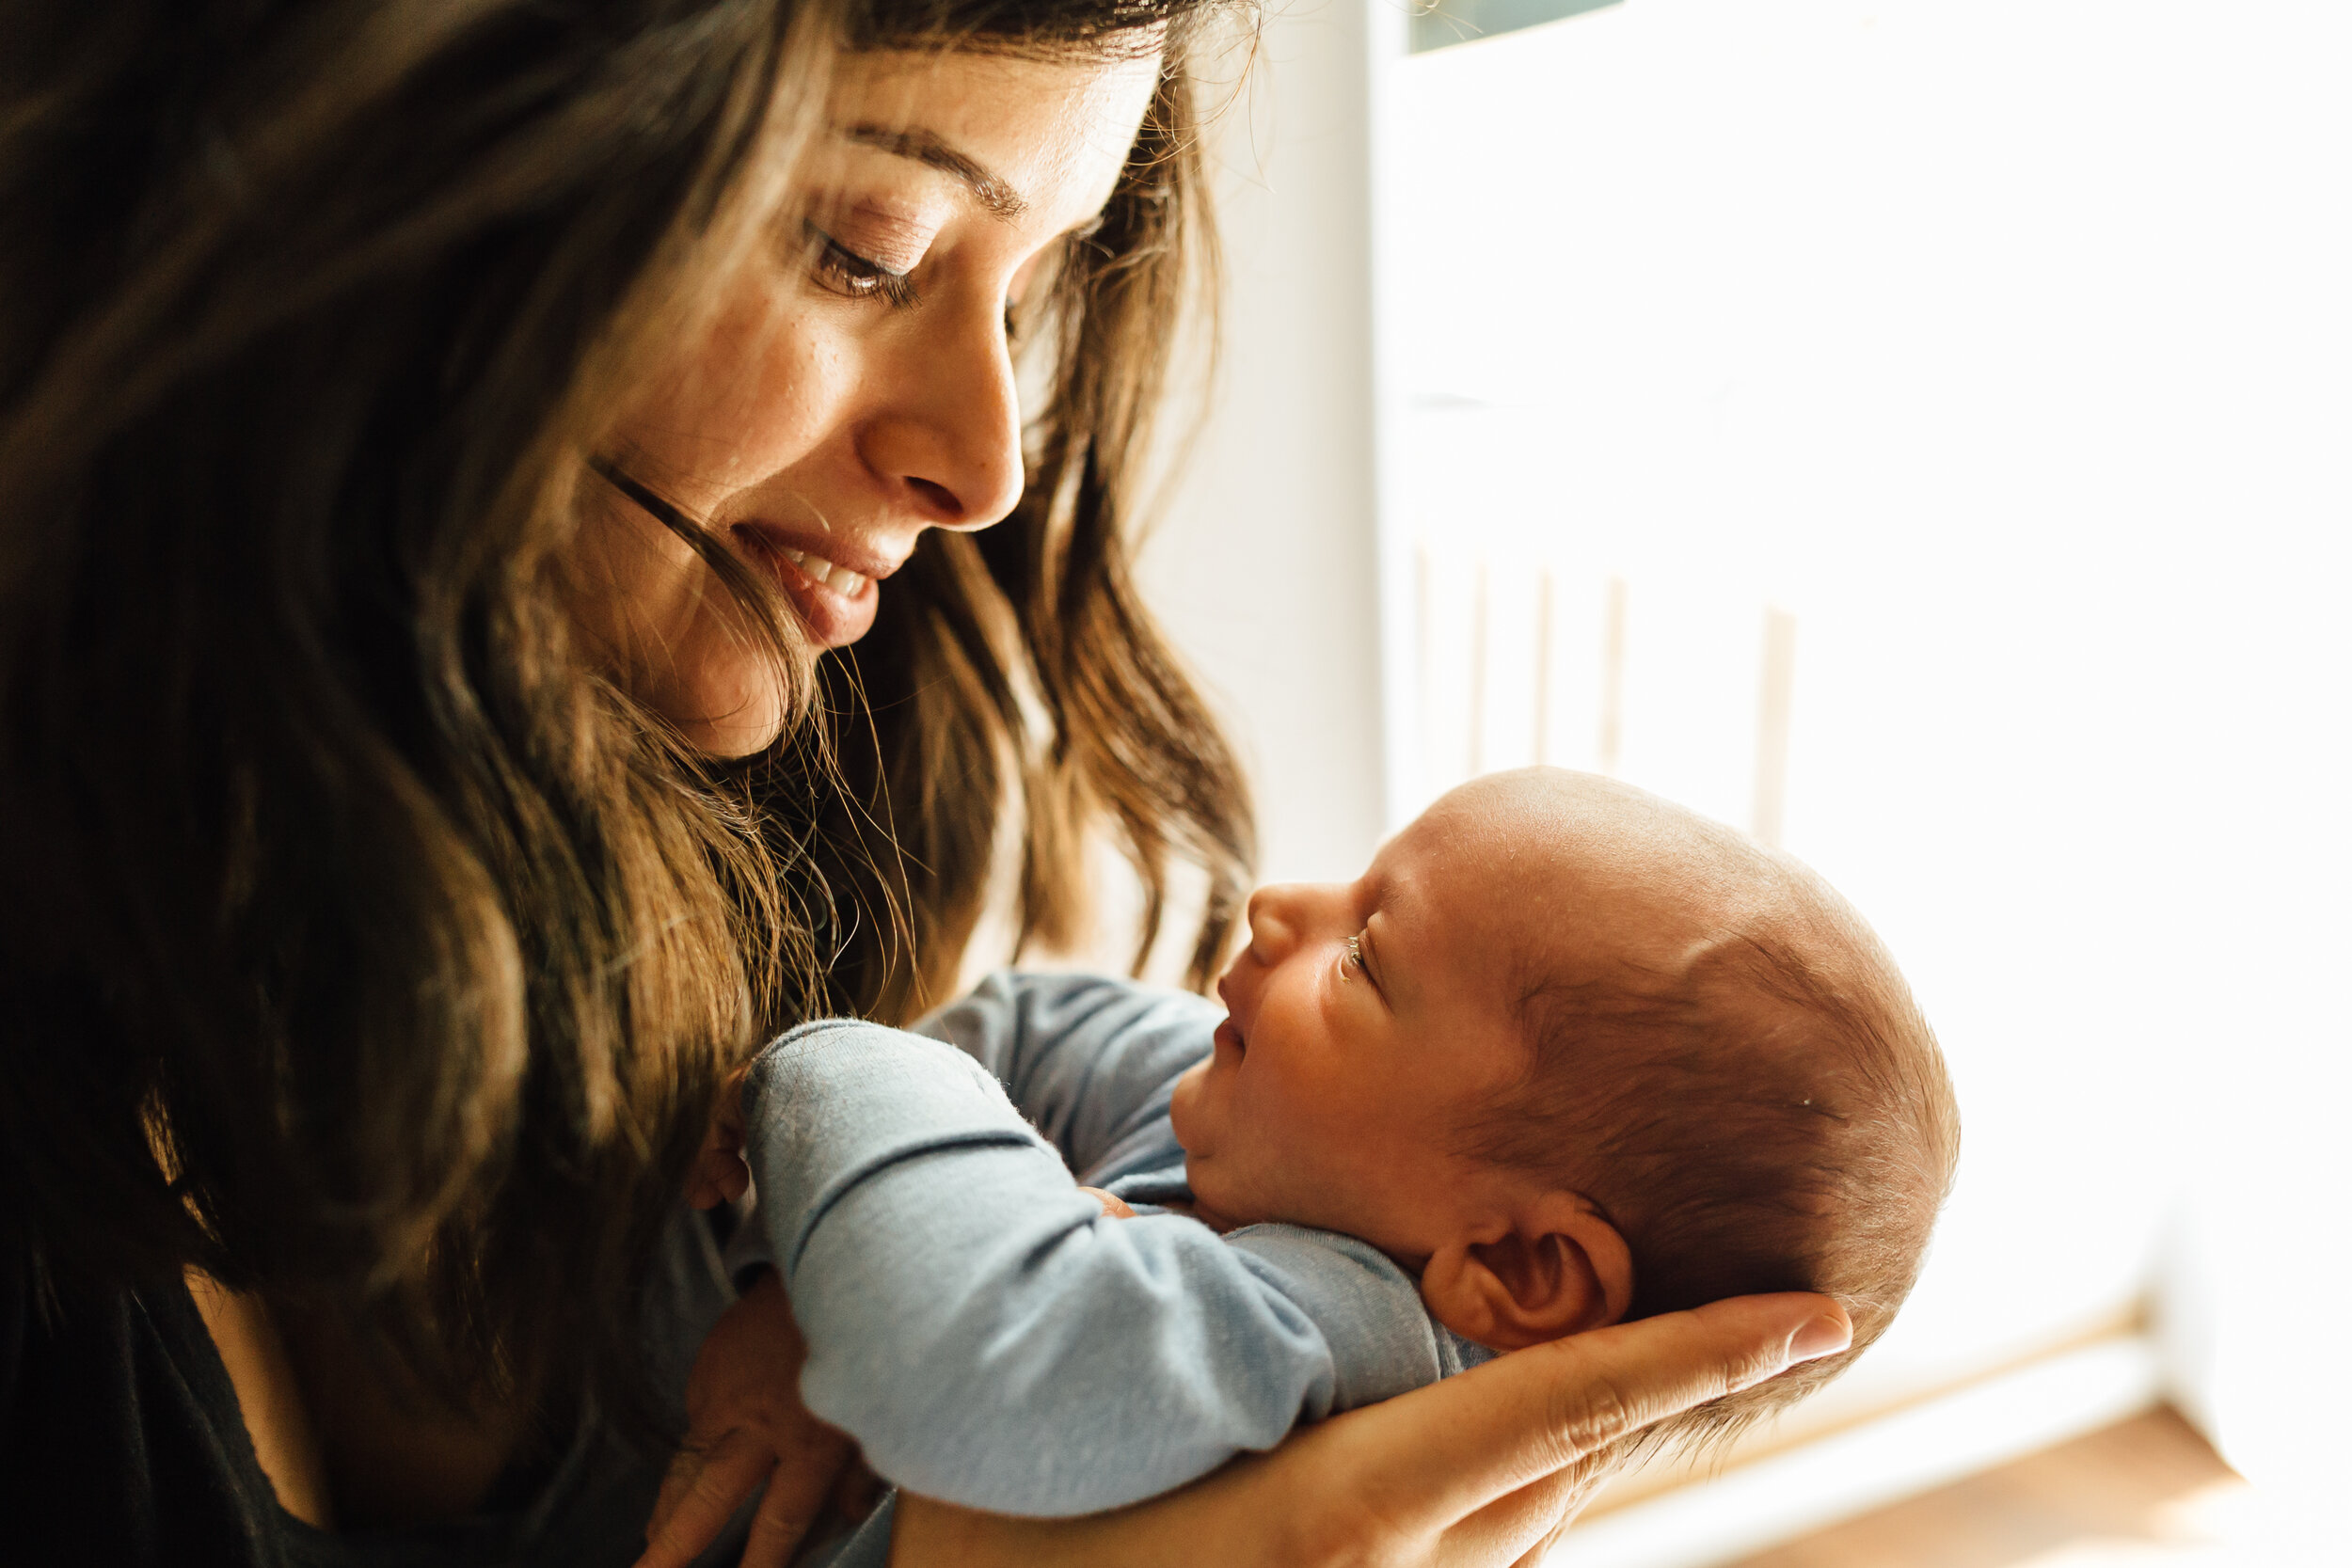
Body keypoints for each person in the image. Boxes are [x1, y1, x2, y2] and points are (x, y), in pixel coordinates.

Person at [0, 3, 1854, 1565]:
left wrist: (831, 1088)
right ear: (380, 159)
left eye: (1027, 286)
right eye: (864, 248)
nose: (986, 462)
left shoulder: (758, 827)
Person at [645, 767, 1955, 1565]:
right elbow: (1034, 1025)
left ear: (1513, 1262)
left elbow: (972, 1350)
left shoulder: (1348, 1329)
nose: (1283, 909)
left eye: (1369, 960)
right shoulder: (1267, 1128)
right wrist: (796, 1279)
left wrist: (822, 1069)